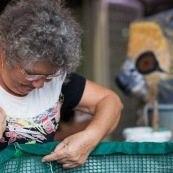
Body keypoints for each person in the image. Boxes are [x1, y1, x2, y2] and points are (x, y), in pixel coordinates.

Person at [0, 0, 123, 169]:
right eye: (31, 73)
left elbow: (111, 102)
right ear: (5, 52)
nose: (39, 85)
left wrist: (90, 138)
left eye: (48, 76)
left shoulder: (57, 80)